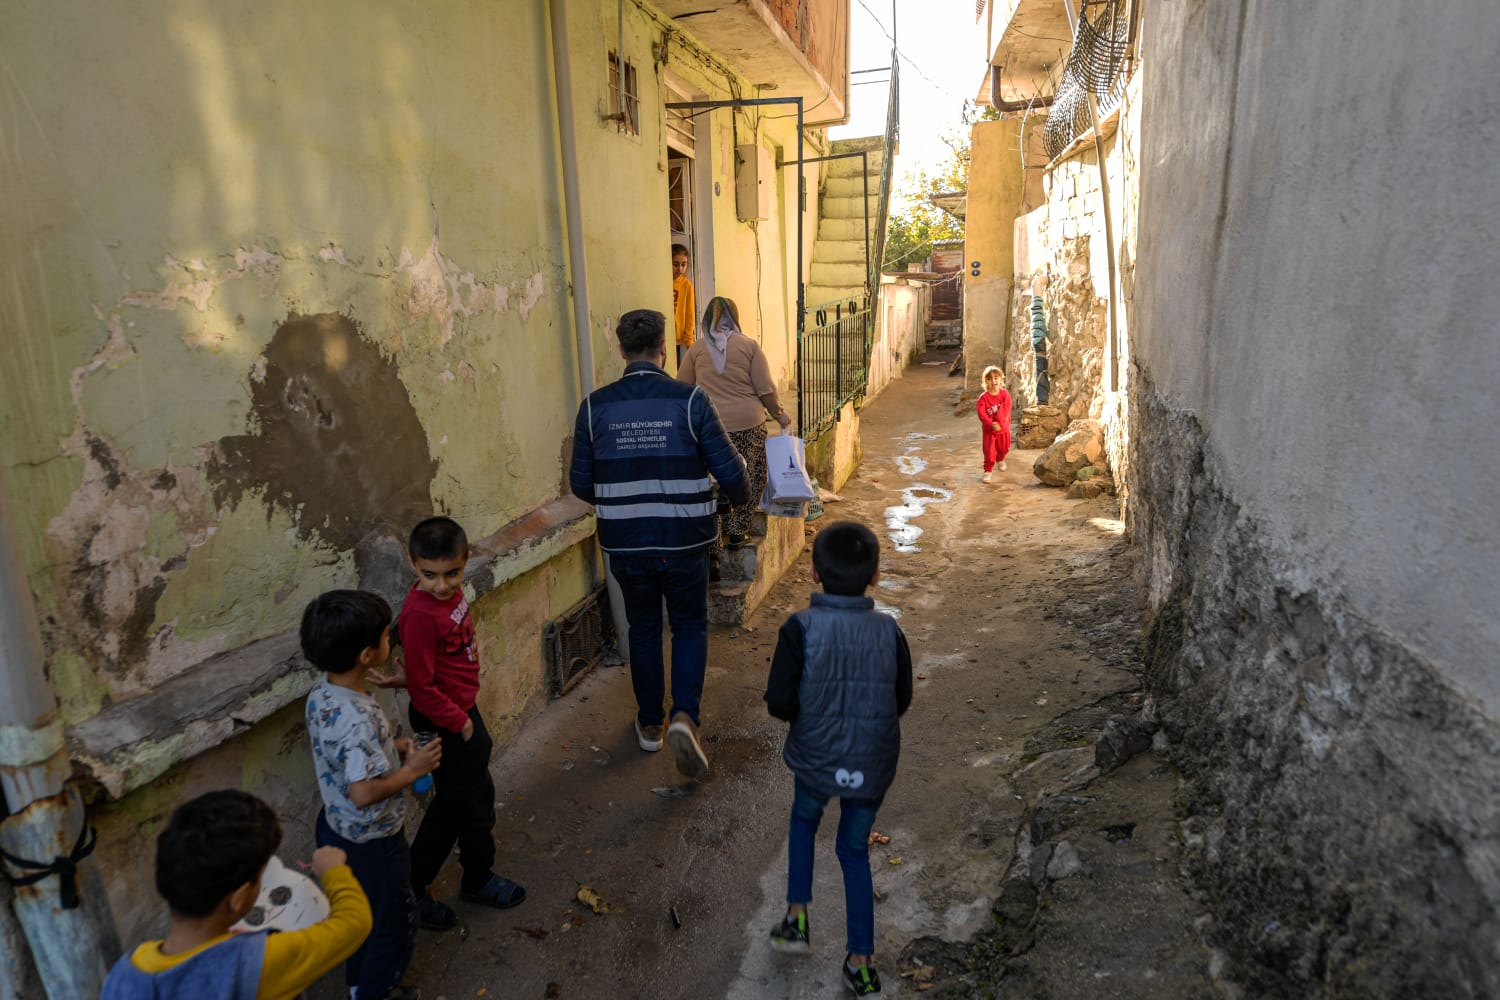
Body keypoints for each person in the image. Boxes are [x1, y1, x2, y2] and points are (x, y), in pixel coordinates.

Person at [570, 308, 749, 778]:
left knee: (644, 628)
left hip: (625, 542)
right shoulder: (690, 401)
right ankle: (685, 717)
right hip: (686, 537)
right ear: (664, 349)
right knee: (690, 624)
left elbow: (580, 484)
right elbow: (732, 474)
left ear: (622, 349)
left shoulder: (593, 407)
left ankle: (650, 724)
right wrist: (737, 498)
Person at [763, 521, 912, 997]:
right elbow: (901, 699)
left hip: (814, 757)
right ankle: (862, 965)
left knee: (805, 824)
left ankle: (796, 919)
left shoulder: (798, 629)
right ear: (875, 577)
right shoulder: (891, 632)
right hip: (871, 763)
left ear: (812, 573)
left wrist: (811, 714)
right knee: (853, 851)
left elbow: (779, 702)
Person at [302, 589, 443, 1000]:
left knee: (360, 919)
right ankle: (375, 991)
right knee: (394, 926)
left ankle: (359, 984)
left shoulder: (323, 696)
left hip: (336, 828)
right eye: (386, 637)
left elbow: (346, 759)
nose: (390, 642)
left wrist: (394, 749)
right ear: (367, 655)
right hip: (372, 839)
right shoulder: (358, 717)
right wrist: (412, 770)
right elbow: (363, 792)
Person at [100, 789, 372, 1000]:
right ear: (240, 898)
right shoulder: (254, 964)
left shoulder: (124, 974)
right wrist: (334, 871)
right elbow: (354, 923)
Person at [394, 516, 528, 918]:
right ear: (414, 564)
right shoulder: (419, 613)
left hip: (460, 712)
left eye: (452, 573)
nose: (441, 584)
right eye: (429, 574)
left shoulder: (447, 599)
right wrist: (460, 722)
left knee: (473, 799)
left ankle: (476, 877)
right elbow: (422, 688)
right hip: (448, 720)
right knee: (455, 807)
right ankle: (416, 888)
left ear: (466, 560)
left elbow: (433, 665)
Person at [678, 296, 792, 558]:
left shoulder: (697, 349)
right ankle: (738, 531)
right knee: (748, 475)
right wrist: (780, 415)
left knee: (713, 483)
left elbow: (682, 388)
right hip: (748, 426)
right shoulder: (749, 347)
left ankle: (714, 542)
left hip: (709, 429)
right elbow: (765, 389)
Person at [976, 365, 1013, 483]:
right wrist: (991, 423)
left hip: (1003, 428)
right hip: (989, 431)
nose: (994, 381)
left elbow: (1006, 408)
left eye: (996, 378)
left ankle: (1001, 459)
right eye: (990, 379)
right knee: (989, 451)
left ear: (1001, 380)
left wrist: (999, 422)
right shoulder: (983, 399)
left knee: (1004, 448)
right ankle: (988, 471)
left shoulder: (1004, 394)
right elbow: (982, 414)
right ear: (985, 381)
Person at [672, 243, 696, 365]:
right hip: (661, 337)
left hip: (677, 340)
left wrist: (689, 340)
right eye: (675, 264)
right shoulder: (663, 280)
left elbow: (690, 314)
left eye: (683, 264)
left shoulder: (686, 285)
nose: (680, 269)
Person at [1029, 271, 1050, 404]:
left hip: (1037, 341)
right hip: (1039, 342)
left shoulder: (1035, 316)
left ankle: (1042, 399)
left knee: (1041, 370)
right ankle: (1042, 400)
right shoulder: (1037, 315)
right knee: (1041, 370)